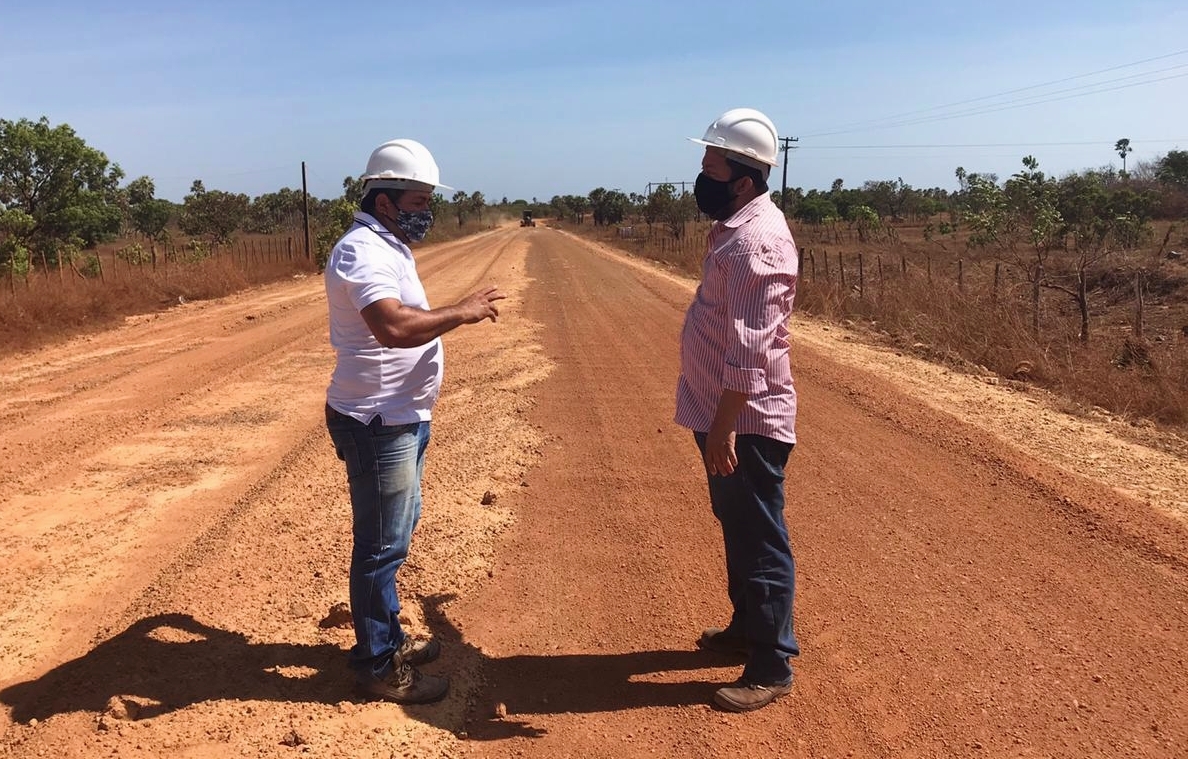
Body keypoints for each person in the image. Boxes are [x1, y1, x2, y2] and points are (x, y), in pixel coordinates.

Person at [324, 138, 505, 704]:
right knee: (381, 546)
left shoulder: (388, 243)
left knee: (392, 537)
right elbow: (394, 328)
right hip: (379, 422)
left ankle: (387, 639)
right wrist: (463, 311)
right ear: (384, 201)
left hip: (400, 417)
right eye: (418, 200)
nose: (426, 211)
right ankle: (380, 666)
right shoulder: (362, 251)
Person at [676, 108, 801, 712]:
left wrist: (724, 426)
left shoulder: (755, 242)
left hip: (744, 420)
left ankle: (771, 662)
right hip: (722, 415)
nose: (700, 178)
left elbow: (753, 348)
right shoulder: (735, 227)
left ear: (744, 180)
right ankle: (745, 627)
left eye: (710, 168)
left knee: (757, 533)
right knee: (737, 523)